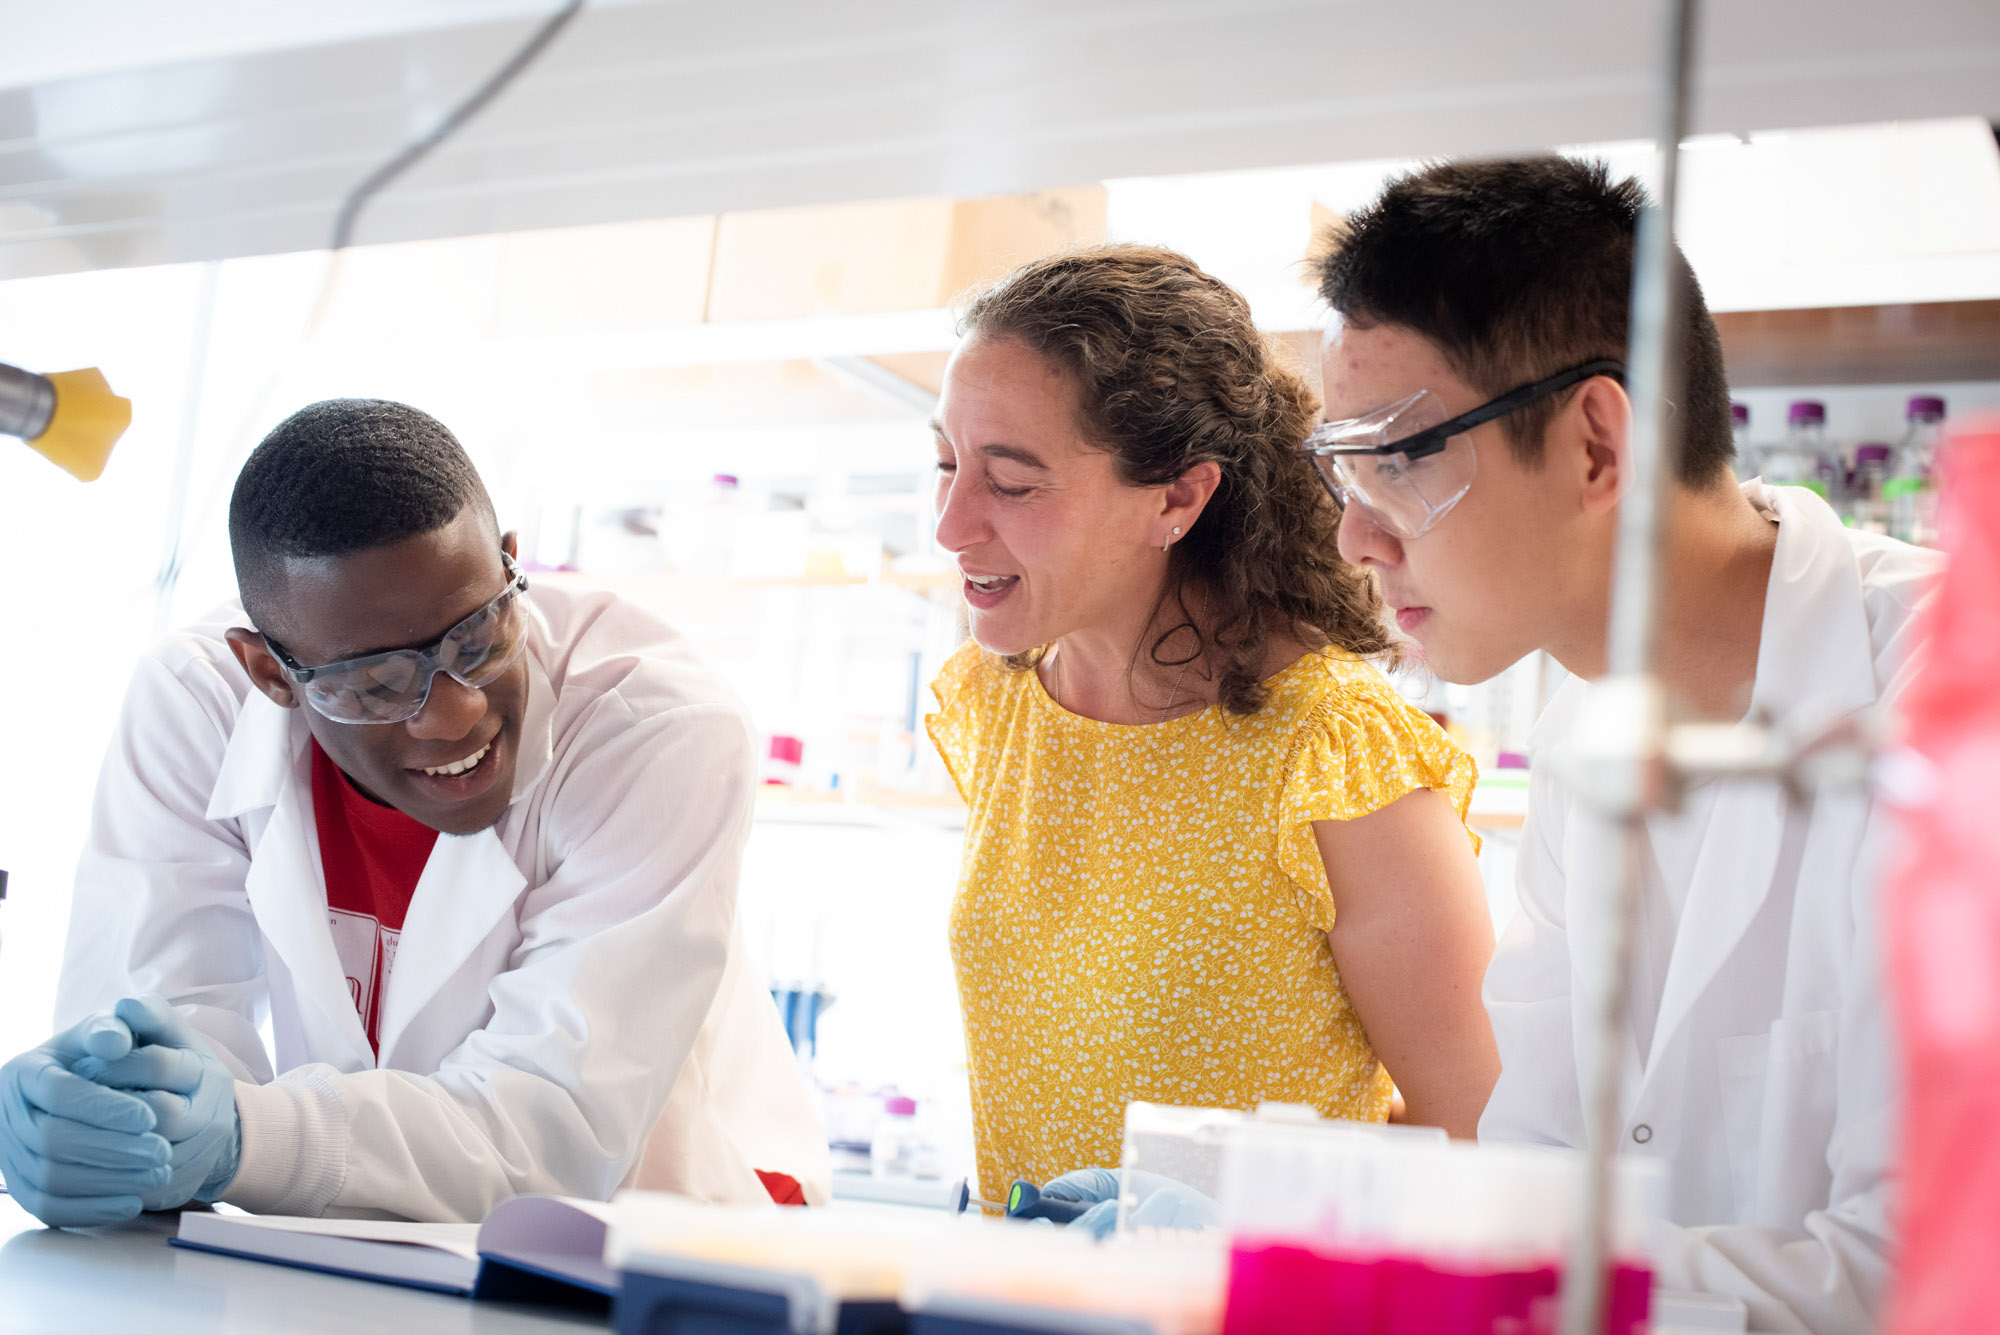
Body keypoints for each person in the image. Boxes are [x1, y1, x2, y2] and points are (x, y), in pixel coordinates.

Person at [1311, 157, 1941, 1333]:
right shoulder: (1577, 743)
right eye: (1339, 466)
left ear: (1595, 443)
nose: (1355, 536)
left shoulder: (1946, 697)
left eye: (1396, 456)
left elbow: (1929, 1272)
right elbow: (1544, 1178)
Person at [0, 399, 828, 1227]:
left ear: (510, 564)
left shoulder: (649, 728)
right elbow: (160, 1039)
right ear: (270, 673)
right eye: (377, 683)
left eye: (477, 637)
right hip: (369, 1257)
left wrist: (241, 1137)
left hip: (665, 1243)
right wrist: (105, 1118)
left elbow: (550, 1124)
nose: (454, 714)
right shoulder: (194, 707)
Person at [924, 245, 1502, 1228]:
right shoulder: (994, 704)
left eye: (1010, 483)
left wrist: (1229, 1226)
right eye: (943, 463)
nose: (948, 524)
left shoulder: (1331, 751)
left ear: (1178, 497)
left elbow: (1476, 1128)